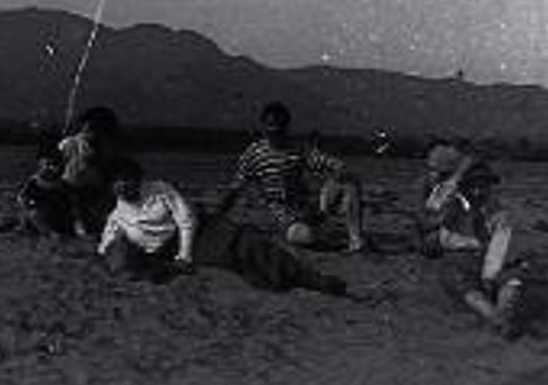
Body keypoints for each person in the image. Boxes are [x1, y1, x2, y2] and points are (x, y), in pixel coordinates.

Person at [98, 157, 349, 295]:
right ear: (112, 187)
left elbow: (186, 220)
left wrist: (184, 256)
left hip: (197, 233)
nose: (123, 186)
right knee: (232, 261)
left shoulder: (161, 190)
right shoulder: (116, 215)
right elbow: (107, 246)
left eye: (127, 180)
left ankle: (313, 279)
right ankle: (278, 281)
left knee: (247, 243)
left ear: (138, 178)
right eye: (117, 183)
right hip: (164, 254)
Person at [215, 102, 365, 252]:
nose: (275, 129)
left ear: (286, 127)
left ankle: (356, 241)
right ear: (263, 126)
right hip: (284, 215)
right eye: (270, 125)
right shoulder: (254, 154)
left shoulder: (297, 148)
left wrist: (333, 181)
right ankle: (324, 237)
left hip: (310, 206)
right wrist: (216, 217)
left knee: (349, 183)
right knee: (305, 236)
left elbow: (334, 164)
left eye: (279, 125)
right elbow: (235, 189)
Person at [421, 151, 528, 339]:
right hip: (460, 260)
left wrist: (489, 278)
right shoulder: (454, 204)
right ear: (464, 187)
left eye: (483, 186)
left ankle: (503, 312)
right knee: (458, 279)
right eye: (473, 186)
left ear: (491, 187)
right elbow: (434, 204)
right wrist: (459, 173)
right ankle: (495, 318)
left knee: (513, 277)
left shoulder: (498, 210)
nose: (478, 192)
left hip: (489, 262)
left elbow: (500, 249)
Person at [58, 106, 123, 237]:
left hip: (95, 187)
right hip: (71, 185)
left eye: (97, 130)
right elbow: (58, 163)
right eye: (88, 129)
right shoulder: (70, 143)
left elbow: (109, 170)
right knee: (76, 205)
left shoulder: (107, 147)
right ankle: (78, 223)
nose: (90, 133)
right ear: (82, 127)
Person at [15, 148, 76, 236]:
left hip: (57, 216)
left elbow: (72, 203)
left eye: (54, 165)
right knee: (34, 214)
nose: (51, 168)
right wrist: (29, 204)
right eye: (47, 164)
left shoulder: (63, 184)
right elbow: (22, 199)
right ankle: (51, 233)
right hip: (38, 216)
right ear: (40, 165)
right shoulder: (33, 182)